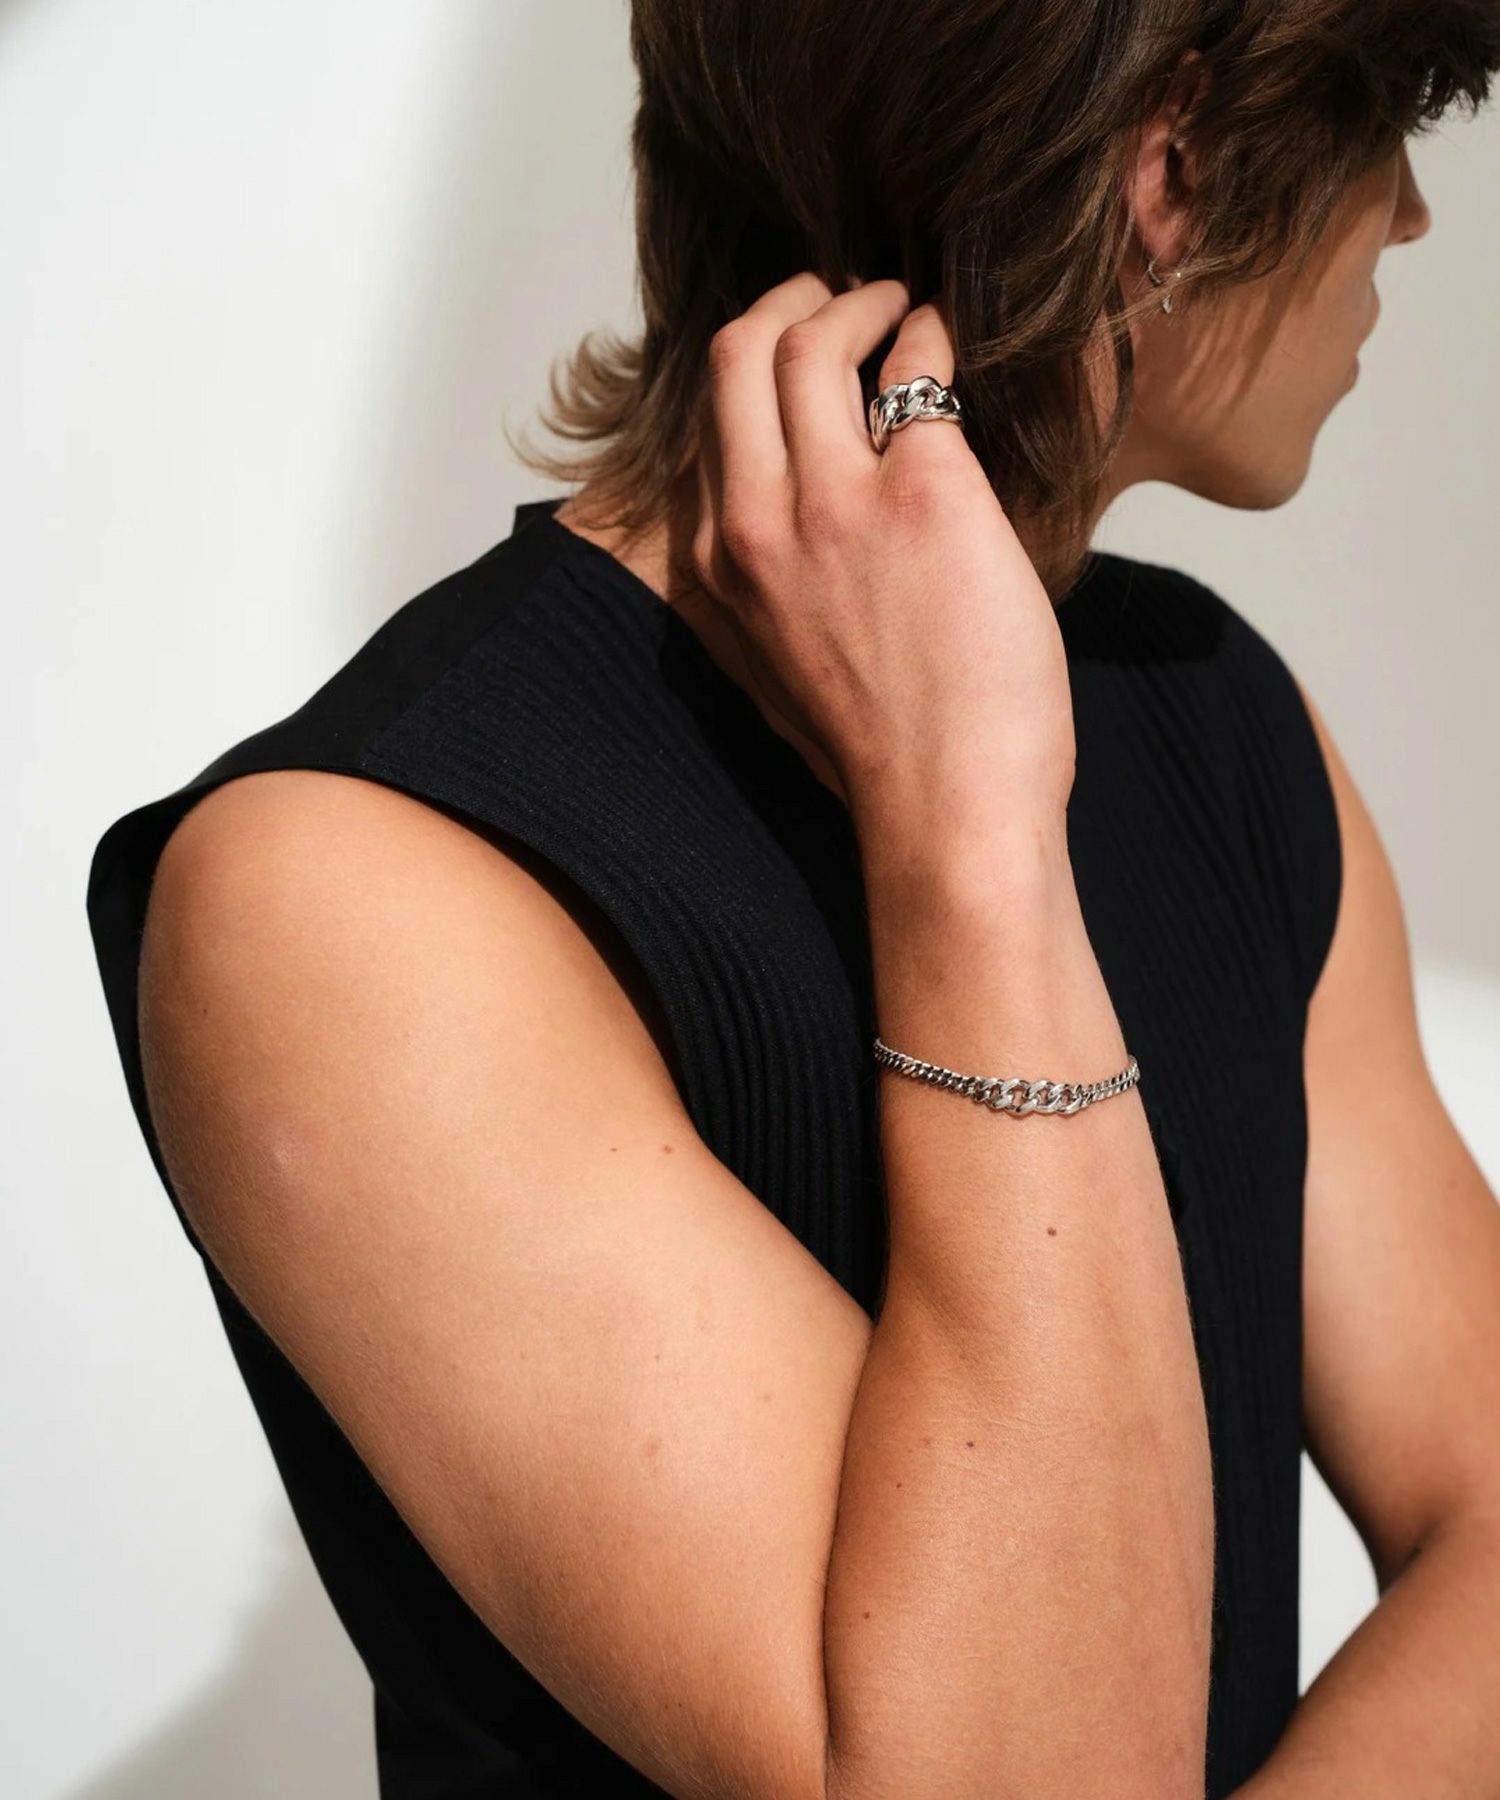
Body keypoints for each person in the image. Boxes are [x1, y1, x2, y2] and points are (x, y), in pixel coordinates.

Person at [85, 5, 1500, 1797]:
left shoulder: (1220, 720)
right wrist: (971, 842)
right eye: (1384, 123)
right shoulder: (350, 894)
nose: (1410, 215)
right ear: (1173, 166)